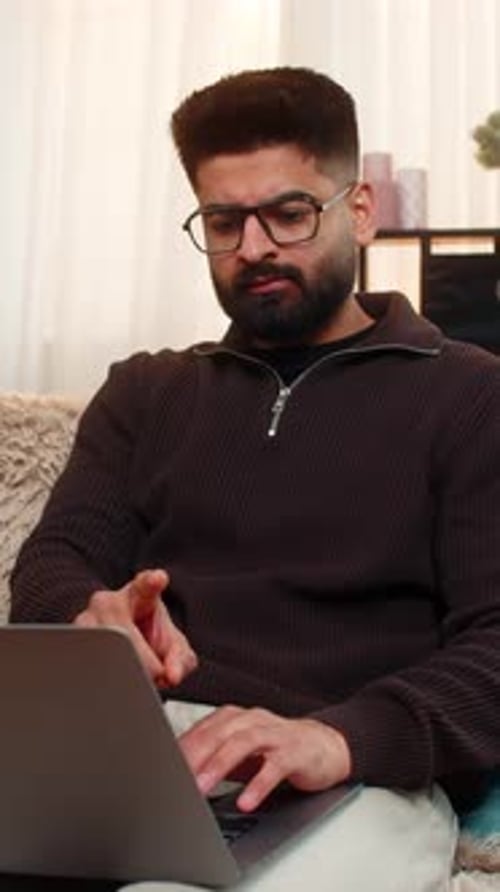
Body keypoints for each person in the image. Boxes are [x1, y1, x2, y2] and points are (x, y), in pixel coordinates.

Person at [9, 67, 500, 891]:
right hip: (145, 756)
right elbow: (54, 561)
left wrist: (343, 737)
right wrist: (85, 615)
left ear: (360, 210)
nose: (255, 247)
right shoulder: (147, 390)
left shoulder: (471, 395)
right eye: (225, 220)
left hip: (352, 775)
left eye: (289, 213)